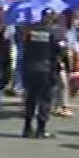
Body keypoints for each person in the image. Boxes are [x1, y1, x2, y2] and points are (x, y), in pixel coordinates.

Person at [18, 10, 61, 139]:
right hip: (46, 69)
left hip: (30, 67)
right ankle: (40, 130)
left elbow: (25, 48)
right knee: (45, 99)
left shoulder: (31, 32)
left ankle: (27, 128)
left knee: (30, 98)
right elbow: (58, 52)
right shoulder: (53, 33)